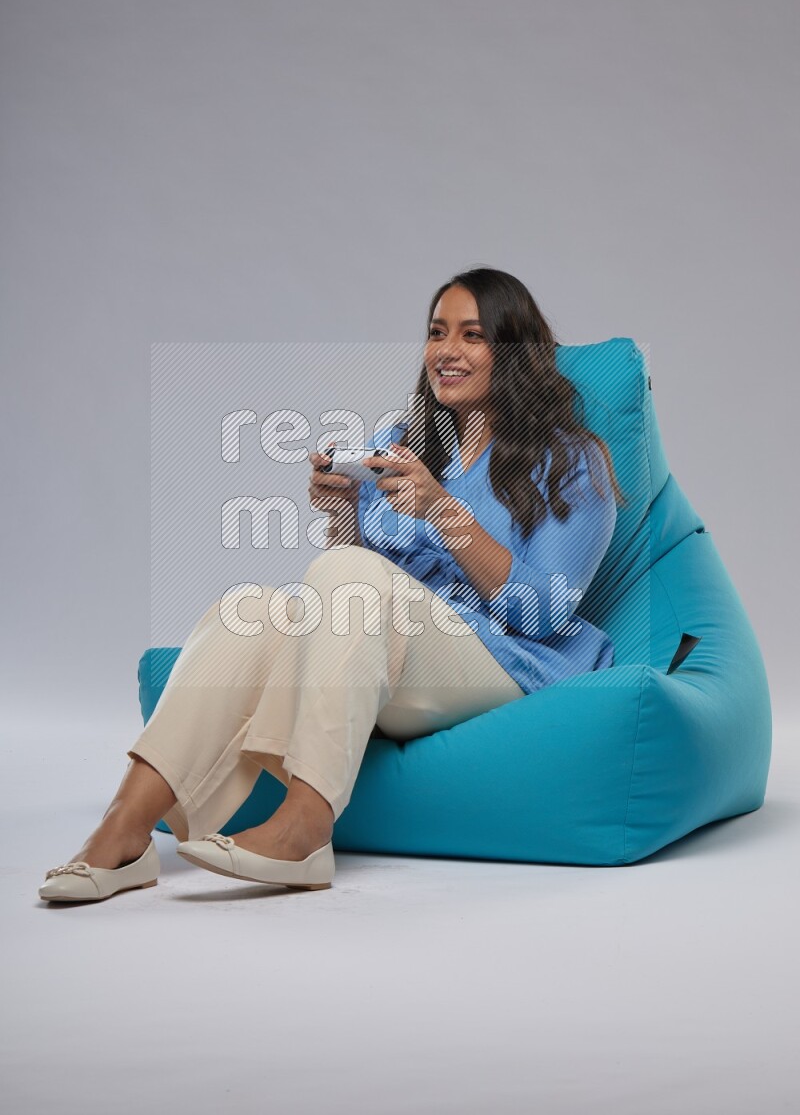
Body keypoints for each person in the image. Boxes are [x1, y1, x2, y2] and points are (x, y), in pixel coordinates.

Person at [38, 266, 625, 902]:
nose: (446, 352)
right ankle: (122, 833)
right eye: (436, 332)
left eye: (472, 335)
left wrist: (445, 516)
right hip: (399, 660)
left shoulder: (571, 461)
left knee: (348, 580)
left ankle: (305, 828)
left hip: (502, 662)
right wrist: (343, 514)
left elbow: (545, 612)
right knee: (252, 609)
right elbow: (356, 594)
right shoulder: (401, 444)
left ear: (511, 351)